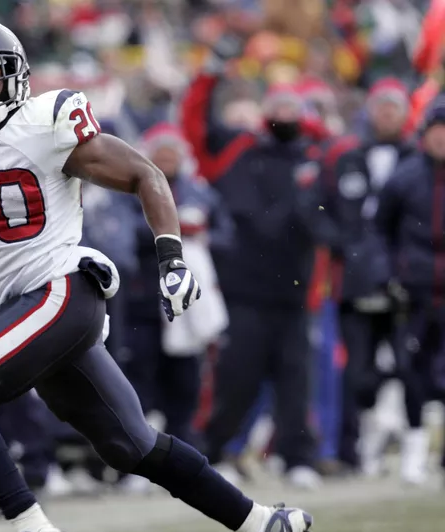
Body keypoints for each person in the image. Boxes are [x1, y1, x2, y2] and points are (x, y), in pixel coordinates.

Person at [0, 20, 312, 532]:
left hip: (60, 290)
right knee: (131, 446)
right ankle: (265, 524)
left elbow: (144, 174)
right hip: (20, 307)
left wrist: (171, 258)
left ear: (18, 76)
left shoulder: (46, 122)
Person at [182, 36, 323, 489]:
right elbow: (194, 126)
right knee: (235, 378)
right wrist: (212, 71)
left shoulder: (312, 157)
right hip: (243, 289)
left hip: (294, 291)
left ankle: (297, 457)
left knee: (295, 380)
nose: (284, 113)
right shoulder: (239, 149)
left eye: (291, 106)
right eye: (276, 105)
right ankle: (215, 451)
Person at [314, 78, 417, 477]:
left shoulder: (419, 159)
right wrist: (343, 245)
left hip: (405, 280)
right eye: (381, 107)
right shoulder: (346, 156)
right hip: (353, 281)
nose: (387, 115)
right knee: (354, 370)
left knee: (411, 366)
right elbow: (315, 208)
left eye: (394, 107)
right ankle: (349, 449)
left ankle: (412, 446)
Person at [373, 96, 445, 486]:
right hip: (414, 292)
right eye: (438, 131)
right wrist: (389, 275)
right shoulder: (404, 177)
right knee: (411, 373)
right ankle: (414, 455)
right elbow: (380, 230)